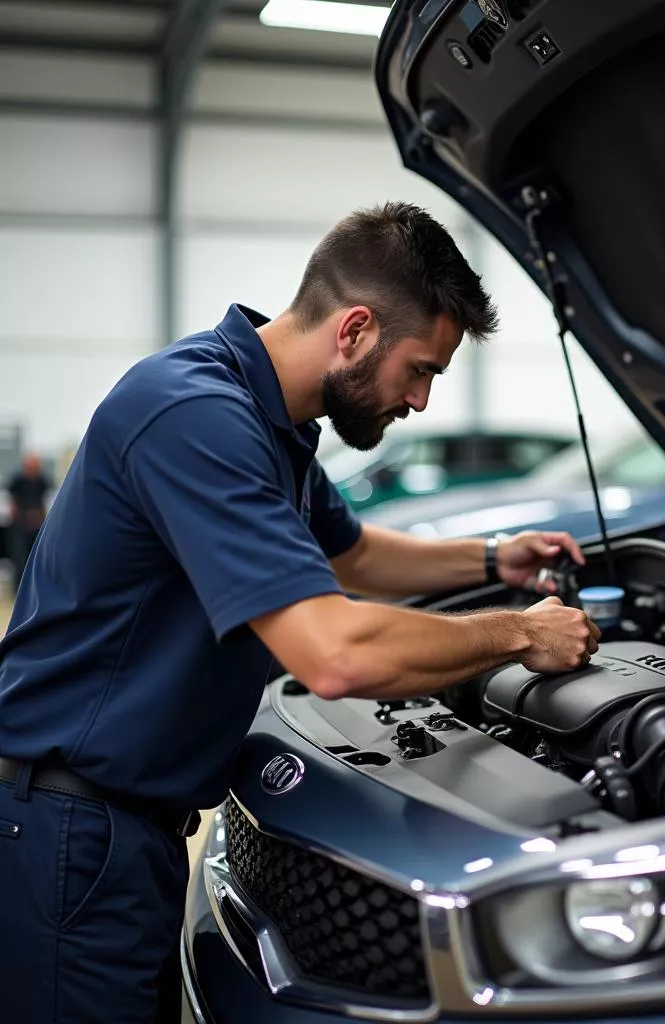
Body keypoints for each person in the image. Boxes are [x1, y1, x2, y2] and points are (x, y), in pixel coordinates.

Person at [0, 202, 600, 1023]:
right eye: (420, 369)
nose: (421, 400)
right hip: (73, 837)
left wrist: (496, 559)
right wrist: (521, 632)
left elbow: (353, 555)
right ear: (355, 331)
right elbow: (334, 655)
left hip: (122, 833)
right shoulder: (194, 413)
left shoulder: (268, 420)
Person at [5, 451, 51, 594]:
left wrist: (41, 520)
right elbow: (11, 503)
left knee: (37, 558)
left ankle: (36, 588)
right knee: (20, 558)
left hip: (37, 526)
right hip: (21, 525)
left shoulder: (42, 481)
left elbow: (46, 502)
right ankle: (18, 590)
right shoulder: (17, 481)